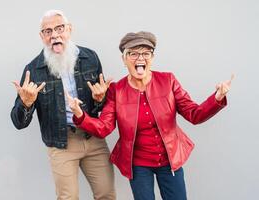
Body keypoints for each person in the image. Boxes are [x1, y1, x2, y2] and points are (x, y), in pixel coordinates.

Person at [67, 31, 233, 200]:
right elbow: (104, 128)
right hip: (138, 165)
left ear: (152, 58)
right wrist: (80, 115)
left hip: (170, 160)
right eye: (133, 53)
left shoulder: (168, 81)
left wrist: (217, 98)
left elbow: (194, 114)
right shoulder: (116, 90)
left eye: (146, 53)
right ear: (124, 59)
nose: (140, 58)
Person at [10, 10, 115, 200]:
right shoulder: (33, 70)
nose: (54, 35)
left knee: (107, 194)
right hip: (61, 142)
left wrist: (101, 99)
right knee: (68, 198)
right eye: (48, 31)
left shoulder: (90, 57)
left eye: (59, 28)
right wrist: (26, 104)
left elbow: (104, 107)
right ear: (42, 36)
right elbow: (19, 123)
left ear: (69, 29)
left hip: (93, 137)